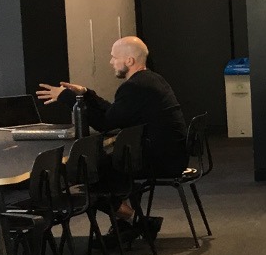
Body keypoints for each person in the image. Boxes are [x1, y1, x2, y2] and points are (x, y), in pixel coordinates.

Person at [37, 36, 187, 225]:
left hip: (161, 161)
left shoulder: (135, 86)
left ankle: (133, 220)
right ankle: (131, 224)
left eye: (114, 57)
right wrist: (85, 93)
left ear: (129, 60)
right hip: (170, 155)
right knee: (102, 167)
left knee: (87, 174)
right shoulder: (151, 80)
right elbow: (113, 113)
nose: (111, 62)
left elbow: (105, 123)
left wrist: (66, 97)